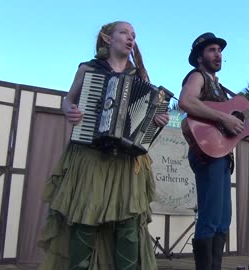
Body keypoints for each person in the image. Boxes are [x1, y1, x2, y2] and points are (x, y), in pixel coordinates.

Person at [37, 21, 169, 270]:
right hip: (90, 154)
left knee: (128, 226)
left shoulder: (139, 77)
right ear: (107, 38)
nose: (130, 38)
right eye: (124, 32)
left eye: (133, 35)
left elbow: (146, 119)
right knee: (85, 221)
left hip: (127, 161)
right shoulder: (89, 69)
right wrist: (70, 111)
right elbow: (67, 101)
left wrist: (156, 121)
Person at [178, 32, 249, 270]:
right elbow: (186, 102)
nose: (218, 54)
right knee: (211, 219)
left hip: (222, 156)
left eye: (219, 50)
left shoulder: (220, 89)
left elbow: (245, 117)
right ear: (199, 57)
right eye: (211, 50)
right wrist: (225, 119)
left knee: (223, 220)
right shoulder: (197, 76)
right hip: (207, 153)